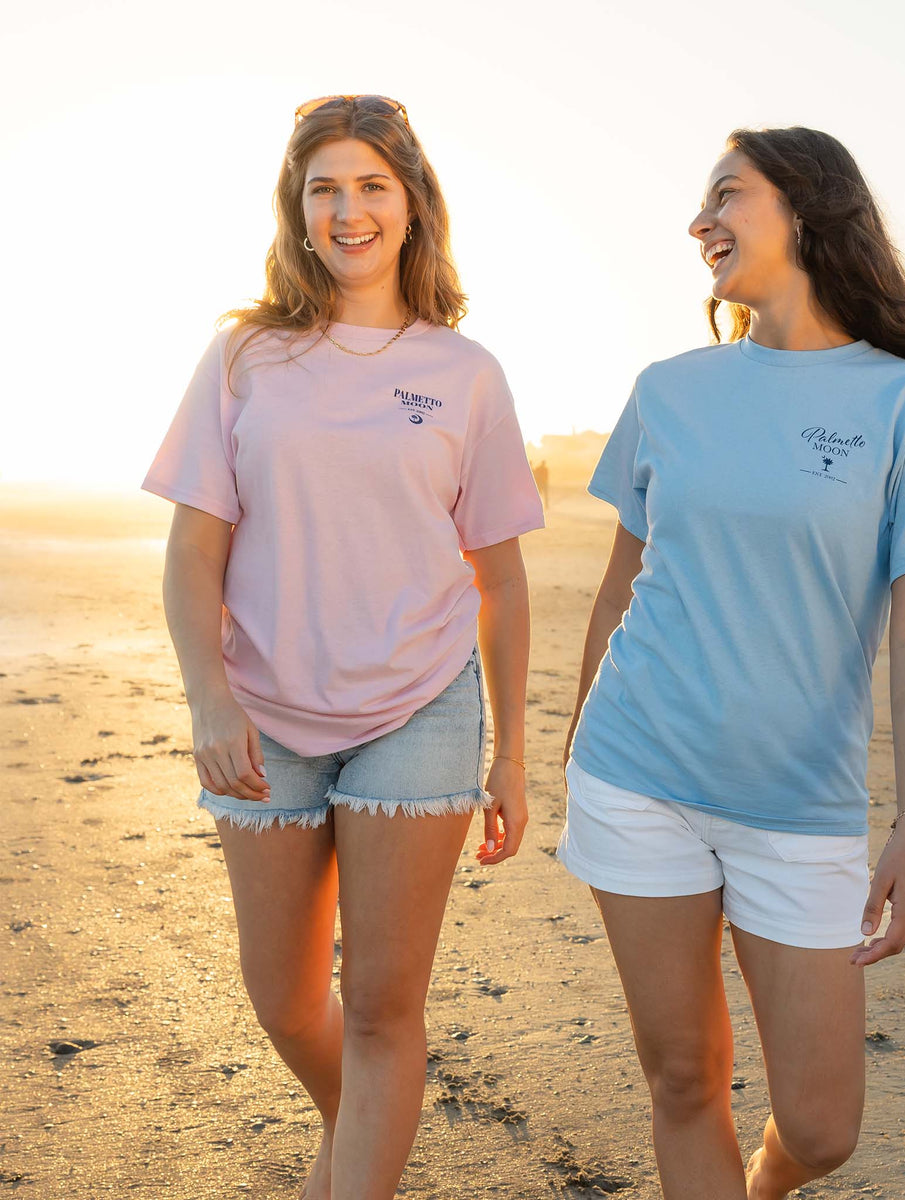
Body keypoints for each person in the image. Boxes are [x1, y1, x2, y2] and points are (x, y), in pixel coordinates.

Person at [558, 126, 905, 1200]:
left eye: (726, 194)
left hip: (800, 804)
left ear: (807, 208)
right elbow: (621, 587)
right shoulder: (669, 389)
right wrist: (580, 745)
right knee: (682, 1080)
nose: (699, 221)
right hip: (637, 776)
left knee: (820, 1125)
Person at [143, 95, 543, 1200]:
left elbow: (503, 579)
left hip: (419, 706)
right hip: (263, 712)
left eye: (371, 185)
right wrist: (209, 698)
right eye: (324, 188)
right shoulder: (245, 357)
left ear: (411, 205)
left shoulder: (467, 372)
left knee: (380, 1008)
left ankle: (364, 1148)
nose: (348, 209)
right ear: (298, 209)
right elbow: (193, 553)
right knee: (281, 999)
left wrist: (511, 755)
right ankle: (366, 1126)